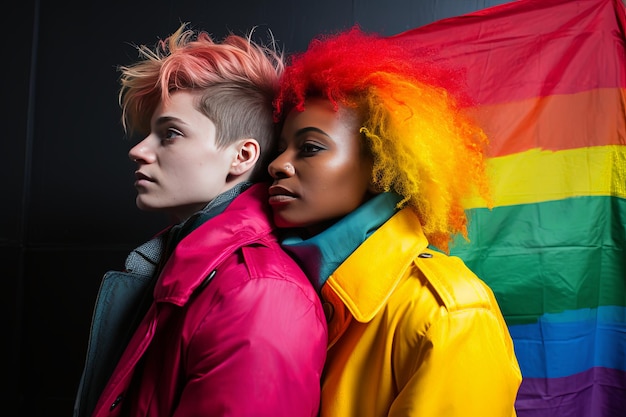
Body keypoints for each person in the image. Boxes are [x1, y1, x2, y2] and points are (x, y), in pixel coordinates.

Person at [73, 23, 327, 417]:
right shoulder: (188, 268)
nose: (139, 151)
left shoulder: (258, 294)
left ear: (241, 156)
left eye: (170, 134)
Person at [267, 27, 522, 417]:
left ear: (380, 170)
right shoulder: (288, 288)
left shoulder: (448, 314)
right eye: (280, 148)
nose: (278, 164)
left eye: (310, 148)